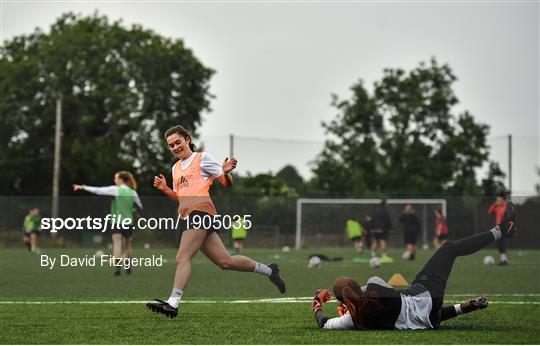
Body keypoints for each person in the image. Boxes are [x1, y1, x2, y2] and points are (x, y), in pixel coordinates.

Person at [146, 125, 286, 318]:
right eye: (171, 145)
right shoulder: (175, 168)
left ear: (187, 139)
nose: (175, 147)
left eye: (178, 142)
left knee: (182, 257)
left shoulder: (202, 158)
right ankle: (269, 271)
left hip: (201, 212)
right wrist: (165, 189)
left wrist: (225, 172)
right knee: (225, 262)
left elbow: (225, 183)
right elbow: (180, 198)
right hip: (187, 214)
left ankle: (173, 303)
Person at [311, 202, 517, 331]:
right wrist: (345, 302)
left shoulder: (353, 321)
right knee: (449, 249)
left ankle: (501, 232)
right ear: (356, 286)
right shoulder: (373, 285)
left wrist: (318, 304)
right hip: (424, 292)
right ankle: (500, 230)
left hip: (428, 310)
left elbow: (323, 323)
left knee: (420, 309)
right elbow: (378, 294)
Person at [73, 171, 143, 276]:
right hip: (128, 222)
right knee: (128, 246)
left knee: (117, 244)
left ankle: (118, 269)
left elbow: (98, 190)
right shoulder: (133, 192)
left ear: (121, 180)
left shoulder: (116, 190)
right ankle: (128, 269)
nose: (114, 180)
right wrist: (131, 209)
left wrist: (83, 187)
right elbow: (140, 207)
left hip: (117, 222)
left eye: (116, 178)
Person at [488, 193, 509, 265]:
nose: (498, 200)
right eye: (497, 199)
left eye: (499, 198)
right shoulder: (498, 207)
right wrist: (495, 204)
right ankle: (504, 259)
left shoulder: (505, 207)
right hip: (498, 227)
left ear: (503, 199)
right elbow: (490, 211)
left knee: (500, 242)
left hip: (504, 226)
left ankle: (504, 260)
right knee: (500, 242)